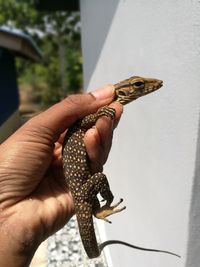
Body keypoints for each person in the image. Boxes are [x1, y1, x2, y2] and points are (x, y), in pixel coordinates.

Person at [0, 84, 123, 267]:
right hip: (79, 187)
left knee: (94, 181)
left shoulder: (86, 121)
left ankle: (97, 209)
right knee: (98, 178)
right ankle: (102, 205)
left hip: (77, 186)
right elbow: (84, 121)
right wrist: (98, 115)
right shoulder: (84, 119)